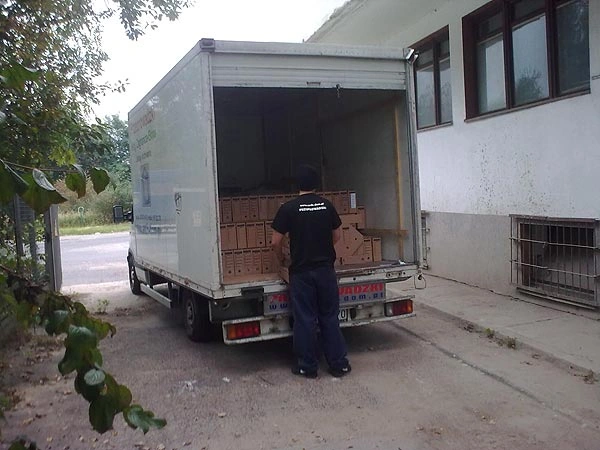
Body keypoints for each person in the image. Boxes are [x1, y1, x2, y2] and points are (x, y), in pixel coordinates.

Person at [271, 164, 351, 379]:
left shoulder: (288, 208)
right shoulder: (327, 206)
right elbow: (337, 235)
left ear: (297, 185)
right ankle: (339, 365)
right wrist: (322, 248)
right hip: (325, 270)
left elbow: (275, 241)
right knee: (329, 317)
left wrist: (282, 259)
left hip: (301, 272)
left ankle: (307, 366)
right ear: (316, 185)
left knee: (305, 319)